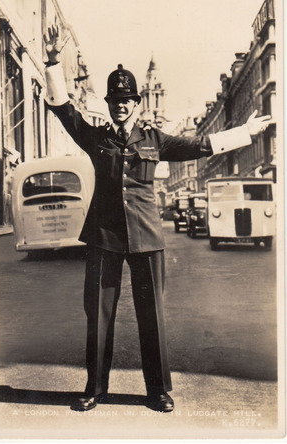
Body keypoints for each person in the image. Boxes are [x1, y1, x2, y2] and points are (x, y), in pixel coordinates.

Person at [43, 25, 271, 413]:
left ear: (136, 102)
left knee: (152, 315)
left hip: (147, 236)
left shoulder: (154, 140)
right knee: (98, 314)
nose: (120, 105)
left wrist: (246, 133)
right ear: (110, 102)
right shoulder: (97, 137)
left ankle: (157, 391)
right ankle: (94, 388)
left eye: (126, 99)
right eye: (114, 99)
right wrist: (51, 63)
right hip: (103, 235)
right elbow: (66, 112)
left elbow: (199, 145)